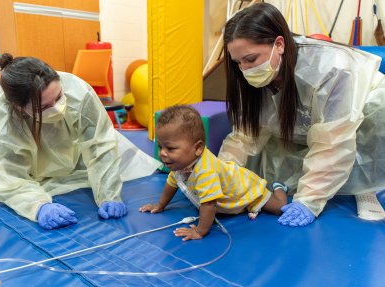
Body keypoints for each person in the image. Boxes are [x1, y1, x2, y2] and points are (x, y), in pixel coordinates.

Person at [219, 2, 385, 227]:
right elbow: (245, 134)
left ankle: (366, 187)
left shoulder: (332, 68)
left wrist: (309, 200)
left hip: (359, 114)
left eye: (250, 59)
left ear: (279, 44)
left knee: (374, 115)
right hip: (311, 124)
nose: (245, 69)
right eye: (238, 62)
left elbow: (334, 141)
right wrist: (222, 172)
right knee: (278, 159)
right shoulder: (248, 74)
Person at [0, 53, 161, 230]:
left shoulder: (77, 91)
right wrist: (38, 206)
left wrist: (108, 195)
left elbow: (100, 144)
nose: (57, 108)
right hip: (30, 168)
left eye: (59, 96)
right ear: (19, 108)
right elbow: (9, 176)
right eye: (45, 106)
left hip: (75, 156)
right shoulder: (2, 123)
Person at [139, 105, 288, 241]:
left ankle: (279, 187)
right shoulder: (179, 165)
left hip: (248, 189)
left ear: (197, 148)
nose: (162, 154)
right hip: (231, 197)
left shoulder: (205, 171)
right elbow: (172, 183)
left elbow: (209, 205)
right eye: (160, 147)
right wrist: (160, 205)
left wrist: (200, 231)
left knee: (279, 208)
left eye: (170, 149)